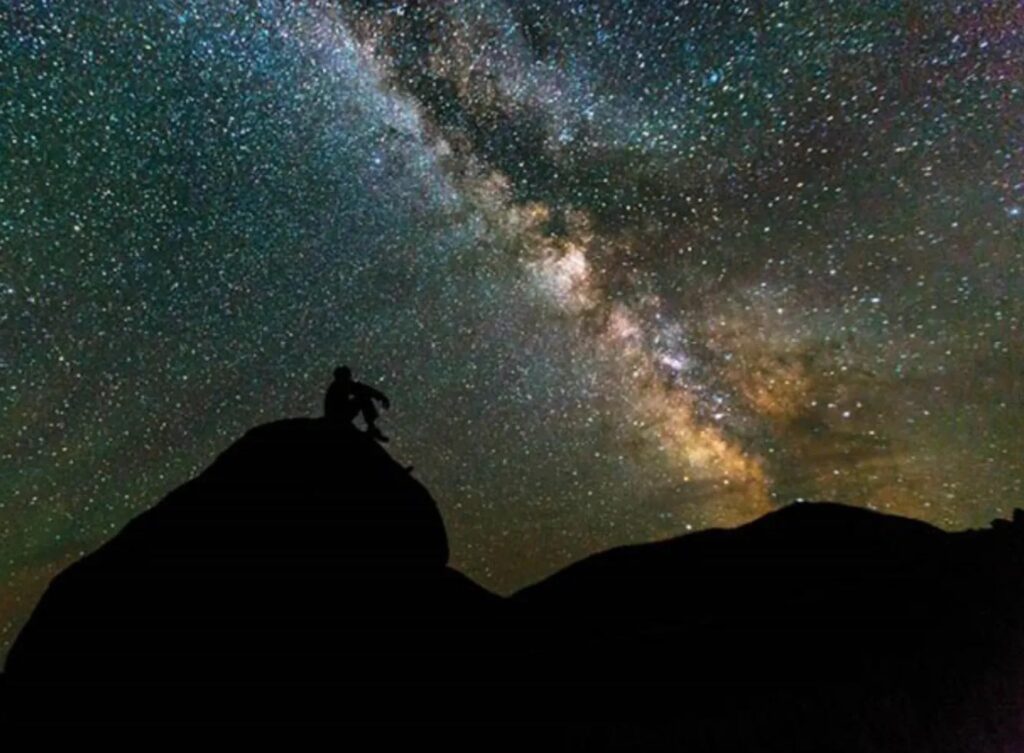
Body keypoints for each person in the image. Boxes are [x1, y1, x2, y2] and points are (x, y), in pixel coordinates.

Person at [324, 366, 391, 442]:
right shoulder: (340, 385)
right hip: (338, 417)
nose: (349, 378)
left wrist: (381, 397)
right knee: (364, 397)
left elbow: (360, 388)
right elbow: (362, 389)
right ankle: (371, 427)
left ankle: (371, 427)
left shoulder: (337, 385)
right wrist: (382, 397)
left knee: (363, 396)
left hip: (337, 416)